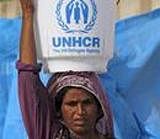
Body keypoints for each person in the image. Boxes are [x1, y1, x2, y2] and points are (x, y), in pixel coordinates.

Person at [16, 0, 115, 138]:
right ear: (58, 111)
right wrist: (28, 14)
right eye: (72, 104)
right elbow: (27, 77)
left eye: (87, 103)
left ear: (100, 109)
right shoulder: (49, 134)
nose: (80, 112)